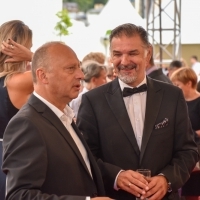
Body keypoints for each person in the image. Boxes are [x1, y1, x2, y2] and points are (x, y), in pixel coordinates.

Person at [77, 23, 199, 200]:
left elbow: (188, 150)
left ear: (148, 53)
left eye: (132, 53)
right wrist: (117, 176)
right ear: (111, 56)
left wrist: (167, 179)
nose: (124, 61)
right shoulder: (92, 101)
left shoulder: (172, 95)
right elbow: (85, 155)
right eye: (117, 54)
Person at [2, 41, 112, 200]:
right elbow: (19, 195)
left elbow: (81, 166)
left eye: (79, 67)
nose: (80, 75)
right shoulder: (26, 124)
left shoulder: (63, 115)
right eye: (70, 68)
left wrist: (118, 176)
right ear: (43, 75)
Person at [170, 67, 200, 198]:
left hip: (196, 152)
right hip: (181, 151)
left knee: (191, 192)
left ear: (189, 83)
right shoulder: (176, 103)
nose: (175, 88)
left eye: (178, 85)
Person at [0, 20, 33, 138]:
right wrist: (32, 56)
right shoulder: (19, 81)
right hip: (14, 151)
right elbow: (63, 70)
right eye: (28, 48)